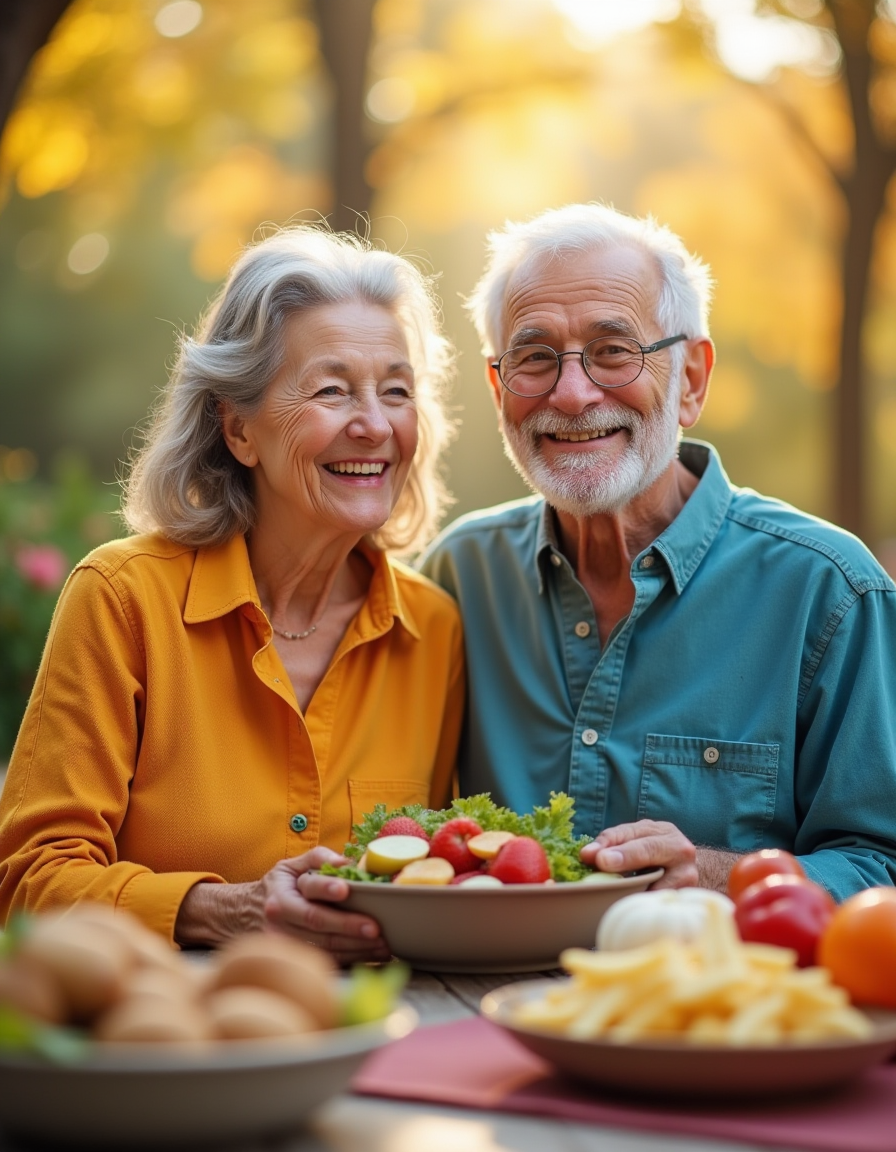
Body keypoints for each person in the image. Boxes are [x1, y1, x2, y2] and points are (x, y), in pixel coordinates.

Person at [0, 225, 464, 961]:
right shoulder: (122, 601)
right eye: (333, 389)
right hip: (157, 1034)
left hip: (379, 1034)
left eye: (397, 391)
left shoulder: (434, 630)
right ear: (239, 429)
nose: (374, 424)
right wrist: (223, 908)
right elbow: (28, 884)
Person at [420, 202, 896, 900]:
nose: (574, 394)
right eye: (534, 357)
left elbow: (882, 863)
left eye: (614, 351)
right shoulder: (459, 577)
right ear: (499, 391)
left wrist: (719, 876)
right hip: (476, 1003)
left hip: (720, 1003)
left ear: (692, 381)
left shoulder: (830, 592)